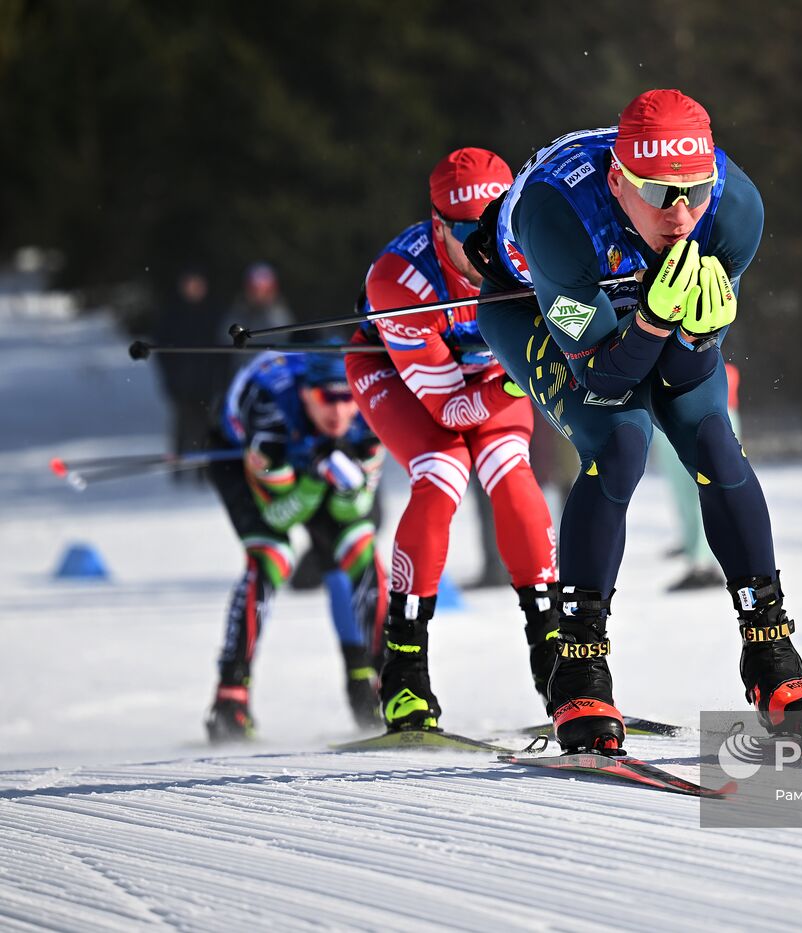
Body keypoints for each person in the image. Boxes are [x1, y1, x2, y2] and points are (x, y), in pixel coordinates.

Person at [467, 89, 802, 752]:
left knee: (715, 443)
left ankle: (771, 655)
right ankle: (579, 665)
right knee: (620, 442)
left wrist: (695, 338)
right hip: (534, 302)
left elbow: (684, 383)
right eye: (661, 194)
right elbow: (603, 379)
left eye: (695, 190)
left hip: (636, 302)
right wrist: (658, 321)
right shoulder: (560, 215)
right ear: (617, 182)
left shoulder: (734, 210)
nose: (682, 213)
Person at [344, 147, 561, 732]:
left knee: (510, 470)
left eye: (499, 224)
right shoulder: (400, 279)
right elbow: (452, 409)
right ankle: (404, 673)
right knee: (441, 475)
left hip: (491, 375)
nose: (485, 245)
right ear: (439, 225)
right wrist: (526, 378)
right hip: (399, 375)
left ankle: (556, 660)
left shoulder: (537, 241)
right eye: (468, 233)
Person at [205, 351, 388, 742]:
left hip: (309, 468)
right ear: (306, 394)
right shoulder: (270, 415)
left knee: (358, 549)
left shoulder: (371, 413)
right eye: (327, 398)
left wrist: (346, 480)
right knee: (271, 558)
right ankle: (230, 698)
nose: (339, 412)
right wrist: (313, 476)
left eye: (346, 398)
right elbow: (279, 516)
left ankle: (380, 684)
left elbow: (355, 508)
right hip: (238, 457)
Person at [652, 361, 741, 591]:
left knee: (701, 491)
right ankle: (696, 550)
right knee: (684, 492)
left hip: (697, 412)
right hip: (671, 413)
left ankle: (704, 563)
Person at [153, 266, 223, 482]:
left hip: (206, 383)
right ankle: (179, 472)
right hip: (181, 383)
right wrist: (172, 378)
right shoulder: (173, 315)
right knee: (182, 427)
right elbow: (162, 350)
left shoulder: (213, 314)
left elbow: (220, 351)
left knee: (206, 428)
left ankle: (204, 472)